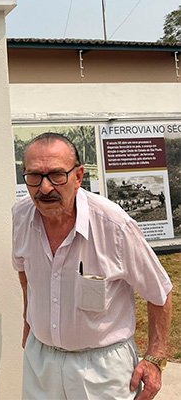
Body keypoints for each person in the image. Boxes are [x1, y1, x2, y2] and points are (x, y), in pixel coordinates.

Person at [12, 132, 172, 400]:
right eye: (34, 176)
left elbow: (160, 292)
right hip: (41, 363)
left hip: (101, 371)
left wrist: (155, 359)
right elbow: (25, 272)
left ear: (78, 177)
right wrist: (29, 321)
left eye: (56, 175)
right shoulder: (20, 216)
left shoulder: (115, 226)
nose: (45, 187)